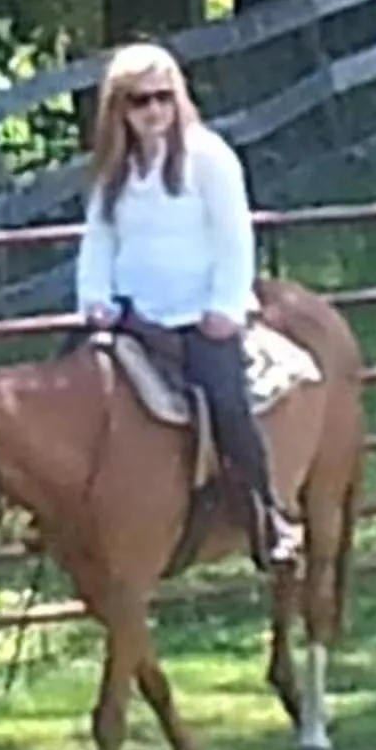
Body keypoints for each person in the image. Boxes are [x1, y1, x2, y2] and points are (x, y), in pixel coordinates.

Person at [74, 42, 300, 571]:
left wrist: (226, 306)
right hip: (131, 312)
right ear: (119, 108)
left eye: (163, 97)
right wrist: (95, 299)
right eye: (139, 100)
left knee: (227, 404)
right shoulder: (115, 168)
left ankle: (269, 518)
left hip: (198, 314)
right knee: (69, 388)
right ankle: (64, 515)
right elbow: (98, 239)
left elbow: (234, 237)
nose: (153, 110)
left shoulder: (209, 158)